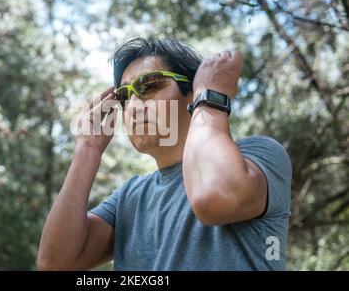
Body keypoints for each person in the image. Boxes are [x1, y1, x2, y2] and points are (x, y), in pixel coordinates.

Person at [37, 37, 292, 271]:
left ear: (192, 92)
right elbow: (54, 264)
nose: (134, 106)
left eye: (149, 86)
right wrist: (87, 149)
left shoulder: (260, 155)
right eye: (125, 96)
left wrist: (210, 97)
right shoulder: (129, 197)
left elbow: (215, 198)